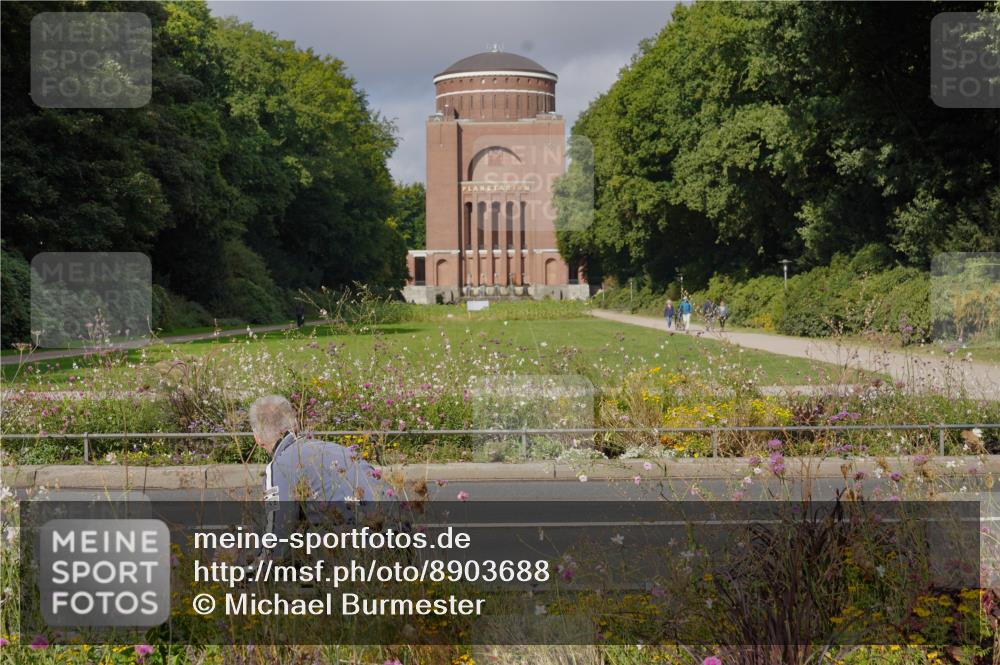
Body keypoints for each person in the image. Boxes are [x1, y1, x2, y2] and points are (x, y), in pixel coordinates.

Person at [249, 395, 390, 557]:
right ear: (296, 425)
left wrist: (248, 575)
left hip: (364, 557)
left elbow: (276, 542)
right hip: (401, 542)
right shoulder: (338, 450)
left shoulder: (279, 467)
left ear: (257, 439)